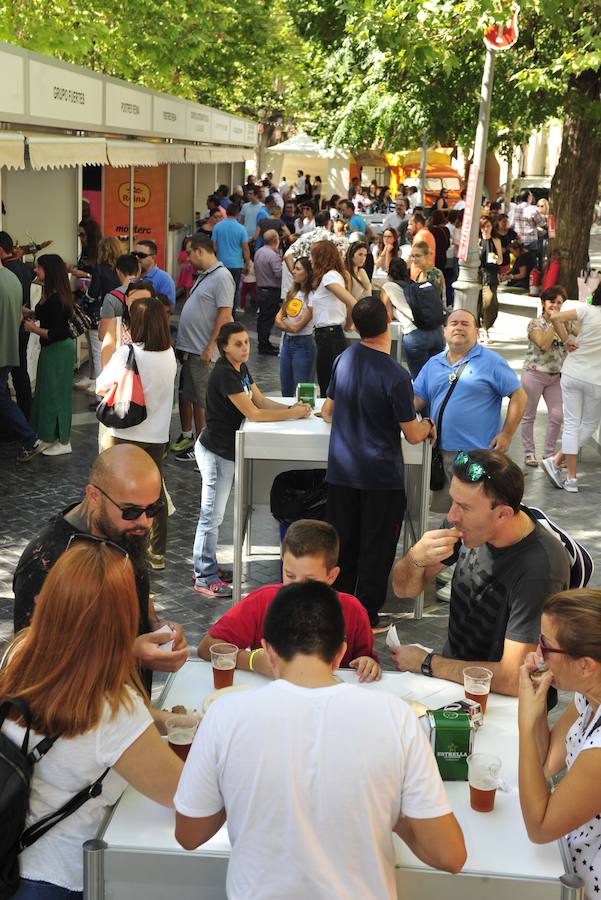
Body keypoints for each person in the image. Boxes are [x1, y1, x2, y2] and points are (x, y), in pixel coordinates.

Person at [175, 581, 466, 898]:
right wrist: (391, 811)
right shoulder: (397, 717)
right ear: (340, 652)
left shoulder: (224, 715)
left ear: (267, 651)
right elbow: (450, 856)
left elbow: (189, 834)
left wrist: (237, 788)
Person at [2, 540, 183, 899]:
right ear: (120, 619)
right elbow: (182, 793)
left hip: (12, 860)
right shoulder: (113, 708)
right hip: (62, 879)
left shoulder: (20, 651)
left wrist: (169, 721)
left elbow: (79, 718)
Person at [390, 450, 570, 696]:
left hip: (503, 698)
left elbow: (514, 679)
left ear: (503, 514)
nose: (451, 516)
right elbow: (403, 590)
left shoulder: (539, 568)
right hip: (455, 679)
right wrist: (415, 559)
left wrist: (427, 663)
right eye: (453, 501)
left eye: (464, 507)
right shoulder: (465, 523)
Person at [12, 444, 188, 686]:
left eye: (153, 509)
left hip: (127, 702)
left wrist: (155, 625)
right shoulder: (46, 562)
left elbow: (137, 584)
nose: (145, 522)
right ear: (94, 495)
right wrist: (129, 655)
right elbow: (34, 666)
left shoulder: (122, 527)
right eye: (131, 511)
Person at [322, 297, 436, 626]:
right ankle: (366, 616)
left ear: (355, 326)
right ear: (388, 320)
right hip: (380, 477)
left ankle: (338, 609)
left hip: (341, 472)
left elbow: (327, 411)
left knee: (343, 545)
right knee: (376, 548)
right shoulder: (396, 375)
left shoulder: (343, 359)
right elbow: (412, 434)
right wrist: (428, 425)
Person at [192, 322, 311, 598]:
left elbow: (260, 401)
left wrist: (292, 408)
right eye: (238, 344)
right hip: (216, 453)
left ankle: (207, 567)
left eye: (246, 342)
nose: (245, 347)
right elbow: (254, 413)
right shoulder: (225, 374)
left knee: (214, 515)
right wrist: (292, 414)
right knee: (211, 516)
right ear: (224, 348)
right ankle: (204, 576)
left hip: (226, 451)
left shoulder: (240, 368)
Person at [197, 519, 381, 680]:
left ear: (331, 576)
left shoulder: (352, 610)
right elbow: (206, 647)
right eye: (290, 576)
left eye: (310, 580)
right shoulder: (262, 601)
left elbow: (367, 660)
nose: (297, 588)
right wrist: (253, 661)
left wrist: (368, 663)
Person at [517, 589, 601, 899]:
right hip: (567, 857)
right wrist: (537, 708)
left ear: (586, 665)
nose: (538, 654)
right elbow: (547, 762)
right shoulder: (589, 693)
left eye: (546, 645)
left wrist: (525, 722)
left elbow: (540, 828)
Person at [413, 308, 526, 510]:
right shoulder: (433, 363)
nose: (459, 327)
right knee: (450, 513)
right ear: (445, 331)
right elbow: (416, 400)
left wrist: (507, 434)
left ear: (476, 331)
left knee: (478, 511)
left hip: (479, 456)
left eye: (465, 324)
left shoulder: (492, 361)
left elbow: (519, 395)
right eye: (454, 323)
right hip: (442, 454)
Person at [96, 297, 177, 570]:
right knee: (156, 494)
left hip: (125, 433)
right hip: (157, 437)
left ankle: (117, 546)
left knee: (116, 492)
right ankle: (157, 553)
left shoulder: (127, 353)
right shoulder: (169, 354)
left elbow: (101, 385)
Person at [173, 234, 234, 462]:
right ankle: (201, 447)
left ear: (200, 250)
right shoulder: (206, 275)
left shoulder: (222, 276)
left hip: (203, 352)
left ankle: (209, 453)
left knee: (206, 404)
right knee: (197, 401)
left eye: (189, 253)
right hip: (193, 351)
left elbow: (224, 315)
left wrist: (210, 347)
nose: (187, 258)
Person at [541, 284, 601, 493]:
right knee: (589, 425)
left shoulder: (586, 310)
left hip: (572, 372)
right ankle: (557, 461)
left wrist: (566, 340)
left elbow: (555, 317)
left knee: (572, 424)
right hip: (596, 380)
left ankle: (571, 478)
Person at [22, 255, 75, 457]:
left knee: (56, 395)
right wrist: (31, 314)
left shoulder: (55, 298)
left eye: (39, 268)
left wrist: (32, 329)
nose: (36, 271)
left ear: (48, 271)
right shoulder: (53, 293)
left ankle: (63, 440)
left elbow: (56, 332)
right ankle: (51, 436)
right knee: (48, 393)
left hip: (58, 350)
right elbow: (49, 318)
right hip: (54, 350)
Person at [521, 286, 571, 468]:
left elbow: (579, 335)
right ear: (543, 303)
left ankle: (549, 455)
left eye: (559, 302)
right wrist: (554, 323)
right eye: (551, 301)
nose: (555, 306)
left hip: (555, 377)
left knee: (557, 416)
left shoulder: (565, 323)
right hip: (534, 375)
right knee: (529, 415)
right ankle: (529, 453)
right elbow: (543, 344)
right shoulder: (535, 324)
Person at [0, 258, 44, 462]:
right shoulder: (13, 279)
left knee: (2, 398)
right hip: (9, 348)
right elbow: (19, 315)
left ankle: (29, 438)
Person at [309, 240, 356, 395]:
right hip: (329, 335)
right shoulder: (333, 276)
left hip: (329, 336)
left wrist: (348, 323)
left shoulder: (329, 277)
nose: (310, 259)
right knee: (329, 384)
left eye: (312, 255)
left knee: (327, 385)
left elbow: (351, 302)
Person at [83, 236, 123, 404]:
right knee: (115, 354)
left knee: (99, 354)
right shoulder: (121, 269)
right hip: (118, 315)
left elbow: (93, 294)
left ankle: (101, 396)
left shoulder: (99, 269)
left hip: (100, 315)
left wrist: (85, 293)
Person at [0, 230, 34, 419]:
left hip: (11, 328)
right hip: (23, 326)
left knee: (6, 378)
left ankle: (15, 420)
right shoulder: (23, 268)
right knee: (21, 374)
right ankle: (25, 415)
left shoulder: (6, 271)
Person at [274, 257, 316, 396]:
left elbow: (296, 327)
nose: (293, 272)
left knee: (302, 391)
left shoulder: (312, 296)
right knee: (286, 389)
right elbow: (277, 319)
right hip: (287, 342)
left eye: (298, 269)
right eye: (294, 268)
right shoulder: (292, 292)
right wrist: (287, 323)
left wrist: (285, 321)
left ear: (307, 273)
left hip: (303, 344)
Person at [98, 253, 141, 368]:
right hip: (144, 354)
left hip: (120, 359)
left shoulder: (111, 298)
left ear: (118, 271)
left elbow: (103, 335)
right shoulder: (150, 294)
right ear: (138, 271)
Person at [212, 203, 250, 304]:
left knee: (220, 290)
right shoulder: (241, 228)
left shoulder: (217, 227)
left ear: (226, 212)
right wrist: (247, 264)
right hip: (236, 265)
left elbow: (214, 247)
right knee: (234, 290)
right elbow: (245, 249)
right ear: (237, 214)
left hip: (221, 264)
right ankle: (231, 311)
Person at [253, 229, 283, 355]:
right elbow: (278, 274)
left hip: (261, 288)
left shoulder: (259, 252)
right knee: (267, 319)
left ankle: (263, 343)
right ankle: (264, 345)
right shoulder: (272, 255)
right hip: (271, 290)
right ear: (275, 240)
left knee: (263, 318)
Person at [479, 216, 503, 342]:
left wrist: (496, 259)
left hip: (491, 273)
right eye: (483, 226)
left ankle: (486, 326)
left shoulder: (496, 241)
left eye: (488, 226)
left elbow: (501, 260)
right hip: (478, 273)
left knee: (490, 302)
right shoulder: (477, 240)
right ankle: (481, 329)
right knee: (478, 302)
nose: (486, 229)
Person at [133, 239, 175, 306]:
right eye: (134, 254)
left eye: (141, 255)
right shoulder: (132, 275)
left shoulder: (164, 279)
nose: (136, 257)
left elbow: (169, 308)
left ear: (153, 258)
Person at [509, 189, 546, 262]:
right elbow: (541, 223)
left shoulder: (516, 208)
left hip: (519, 241)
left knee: (520, 262)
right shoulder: (533, 209)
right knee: (531, 262)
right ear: (529, 197)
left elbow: (512, 224)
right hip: (531, 240)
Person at [408, 214, 436, 280]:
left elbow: (416, 256)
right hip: (424, 274)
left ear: (418, 224)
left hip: (420, 275)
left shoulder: (421, 235)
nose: (408, 227)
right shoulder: (426, 233)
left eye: (411, 224)